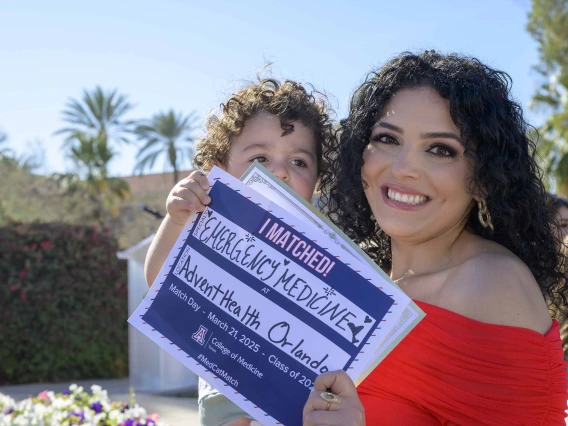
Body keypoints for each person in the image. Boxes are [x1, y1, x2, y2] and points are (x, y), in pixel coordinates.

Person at [298, 51, 567, 425]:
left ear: (484, 178)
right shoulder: (362, 280)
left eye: (440, 149)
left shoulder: (491, 284)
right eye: (387, 138)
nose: (404, 168)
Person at [143, 78, 334, 426]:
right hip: (225, 399)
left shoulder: (323, 250)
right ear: (220, 168)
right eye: (260, 157)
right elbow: (158, 279)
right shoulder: (209, 225)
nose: (280, 172)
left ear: (317, 179)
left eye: (300, 162)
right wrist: (176, 219)